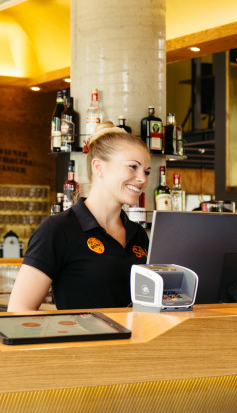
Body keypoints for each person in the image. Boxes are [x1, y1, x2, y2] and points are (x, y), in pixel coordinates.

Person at [8, 124, 151, 311]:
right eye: (133, 167)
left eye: (147, 171)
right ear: (98, 167)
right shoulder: (58, 229)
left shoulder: (137, 233)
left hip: (141, 340)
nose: (142, 179)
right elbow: (19, 311)